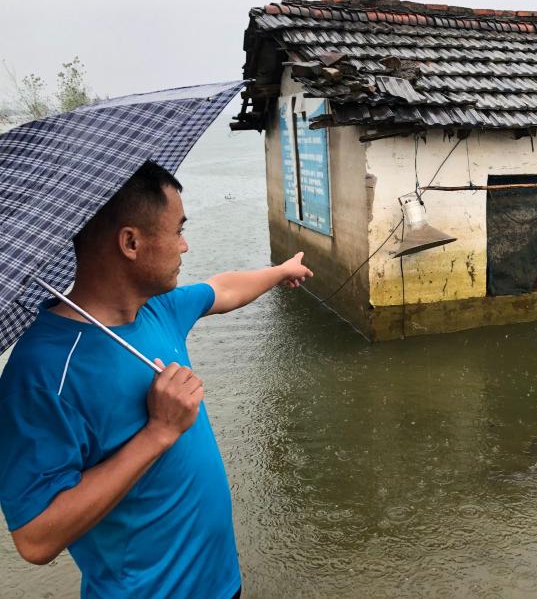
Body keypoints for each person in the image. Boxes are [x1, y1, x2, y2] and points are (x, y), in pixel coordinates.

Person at [0, 160, 313, 598]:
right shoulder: (44, 370)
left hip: (221, 583)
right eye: (178, 230)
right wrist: (159, 432)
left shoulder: (154, 310)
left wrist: (280, 272)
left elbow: (220, 289)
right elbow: (34, 538)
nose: (184, 246)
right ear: (131, 241)